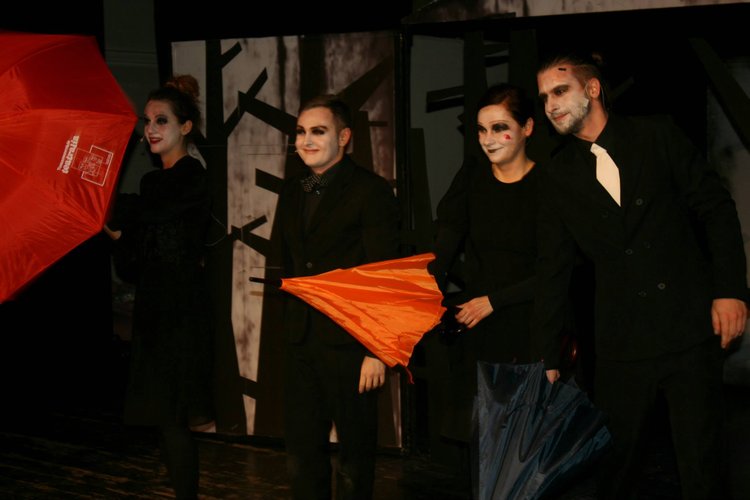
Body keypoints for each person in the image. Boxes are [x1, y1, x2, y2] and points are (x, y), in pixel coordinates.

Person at [534, 51, 748, 499]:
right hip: (622, 343)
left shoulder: (656, 134)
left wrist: (730, 291)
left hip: (689, 328)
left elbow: (716, 209)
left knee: (703, 466)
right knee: (616, 469)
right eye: (545, 97)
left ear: (592, 89)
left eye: (560, 91)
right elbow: (554, 269)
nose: (551, 104)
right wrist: (548, 355)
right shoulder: (556, 175)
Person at [273, 94, 400, 499]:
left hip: (352, 345)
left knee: (354, 461)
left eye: (318, 131)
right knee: (302, 456)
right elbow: (285, 265)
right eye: (300, 132)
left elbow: (386, 275)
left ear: (344, 137)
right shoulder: (293, 191)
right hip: (301, 341)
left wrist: (377, 351)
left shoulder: (371, 191)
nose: (306, 140)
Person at [104, 74, 214, 500]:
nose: (149, 129)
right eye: (147, 121)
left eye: (161, 120)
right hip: (153, 310)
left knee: (173, 416)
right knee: (163, 419)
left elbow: (154, 212)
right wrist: (116, 234)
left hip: (182, 312)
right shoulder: (151, 183)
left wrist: (113, 206)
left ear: (185, 127)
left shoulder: (191, 176)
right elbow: (136, 262)